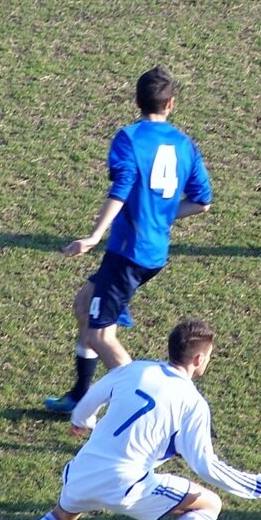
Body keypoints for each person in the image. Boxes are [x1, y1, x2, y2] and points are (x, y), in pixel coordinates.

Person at [45, 66, 213, 413]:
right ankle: (80, 396)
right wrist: (160, 213)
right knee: (84, 304)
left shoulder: (129, 139)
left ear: (136, 101)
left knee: (100, 335)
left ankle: (147, 408)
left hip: (128, 252)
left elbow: (120, 191)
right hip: (151, 251)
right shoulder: (184, 144)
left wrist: (93, 236)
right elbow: (202, 201)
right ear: (171, 104)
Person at [32, 318, 261, 520]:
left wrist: (81, 421)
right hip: (128, 485)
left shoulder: (133, 370)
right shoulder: (192, 403)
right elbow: (204, 465)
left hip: (82, 470)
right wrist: (258, 484)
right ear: (199, 359)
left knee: (59, 518)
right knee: (209, 505)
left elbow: (90, 399)